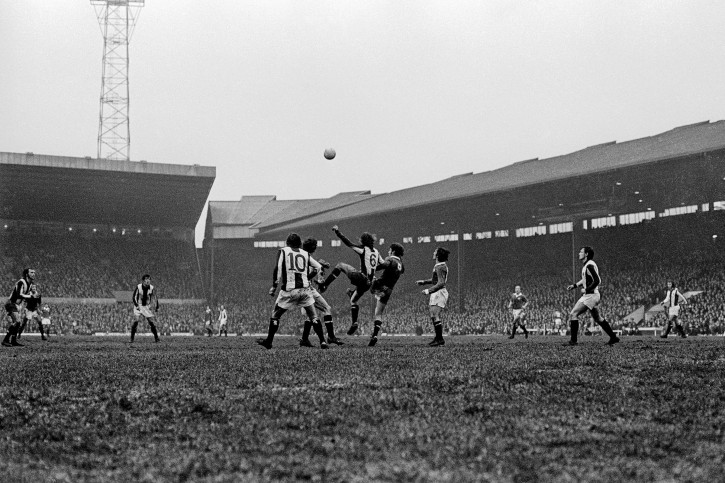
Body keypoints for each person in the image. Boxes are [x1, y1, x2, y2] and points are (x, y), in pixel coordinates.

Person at [257, 233, 328, 349]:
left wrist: (274, 286)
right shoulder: (305, 253)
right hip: (305, 290)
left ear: (287, 243)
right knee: (314, 317)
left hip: (289, 290)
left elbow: (278, 268)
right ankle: (323, 342)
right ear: (299, 243)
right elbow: (319, 267)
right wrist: (320, 280)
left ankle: (269, 341)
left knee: (275, 315)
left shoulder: (283, 251)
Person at [318, 226, 384, 336]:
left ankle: (325, 285)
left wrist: (338, 233)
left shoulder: (363, 249)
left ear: (363, 241)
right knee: (353, 301)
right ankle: (354, 322)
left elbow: (348, 243)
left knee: (340, 265)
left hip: (361, 278)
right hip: (368, 283)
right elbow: (382, 265)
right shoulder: (376, 252)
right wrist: (373, 272)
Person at [565, 246, 620, 346]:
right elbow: (585, 280)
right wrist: (575, 285)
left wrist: (586, 289)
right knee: (598, 318)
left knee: (573, 314)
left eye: (581, 252)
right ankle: (613, 337)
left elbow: (597, 280)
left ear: (586, 254)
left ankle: (573, 341)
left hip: (590, 296)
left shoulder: (589, 265)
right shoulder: (587, 265)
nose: (579, 253)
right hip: (593, 295)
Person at [298, 238, 343, 347]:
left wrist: (320, 265)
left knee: (310, 315)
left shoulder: (300, 257)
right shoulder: (308, 258)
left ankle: (304, 339)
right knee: (326, 309)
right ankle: (330, 337)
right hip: (307, 289)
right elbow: (314, 270)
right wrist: (320, 268)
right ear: (313, 248)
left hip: (299, 289)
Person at [367, 243, 405, 347]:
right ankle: (374, 335)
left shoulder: (390, 259)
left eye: (389, 250)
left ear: (392, 251)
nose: (388, 252)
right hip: (389, 290)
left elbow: (384, 265)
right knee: (378, 313)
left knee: (369, 280)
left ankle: (359, 292)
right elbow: (401, 271)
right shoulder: (400, 263)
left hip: (380, 284)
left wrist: (373, 268)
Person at [416, 247, 450, 347]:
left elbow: (441, 283)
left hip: (439, 292)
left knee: (435, 315)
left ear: (438, 255)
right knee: (433, 315)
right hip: (437, 292)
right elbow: (435, 280)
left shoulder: (440, 267)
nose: (433, 252)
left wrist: (428, 290)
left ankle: (440, 339)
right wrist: (424, 282)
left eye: (435, 251)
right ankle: (438, 338)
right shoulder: (439, 266)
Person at [3, 268, 37, 347]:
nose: (33, 274)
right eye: (31, 272)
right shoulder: (21, 282)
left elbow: (24, 297)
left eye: (34, 272)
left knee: (18, 323)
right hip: (10, 304)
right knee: (17, 321)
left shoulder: (30, 284)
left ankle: (13, 341)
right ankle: (5, 340)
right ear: (26, 274)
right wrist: (30, 296)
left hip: (17, 305)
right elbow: (19, 294)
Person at [131, 274, 160, 343]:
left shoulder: (151, 288)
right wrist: (136, 305)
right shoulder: (139, 287)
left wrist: (157, 306)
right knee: (136, 320)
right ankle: (131, 338)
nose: (148, 280)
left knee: (151, 322)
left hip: (146, 306)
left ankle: (156, 338)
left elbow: (155, 297)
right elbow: (134, 297)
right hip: (138, 305)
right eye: (146, 279)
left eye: (149, 279)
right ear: (143, 281)